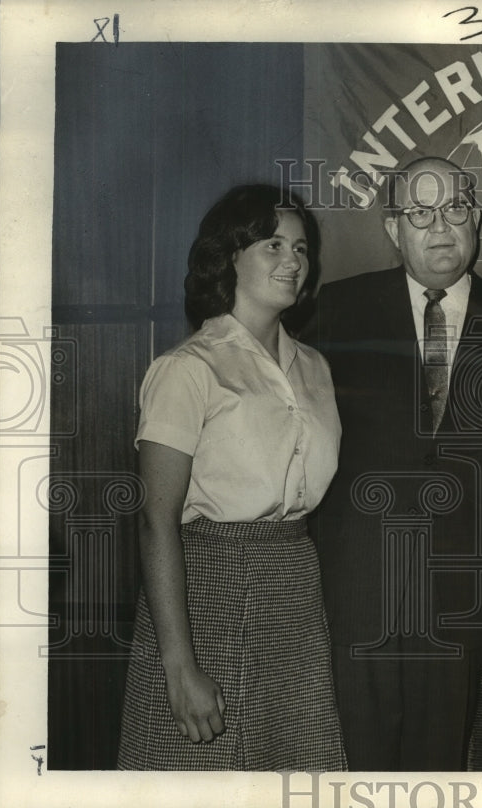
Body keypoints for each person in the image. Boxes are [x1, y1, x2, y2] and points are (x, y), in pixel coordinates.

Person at [302, 156, 482, 771]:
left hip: (462, 589)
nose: (440, 226)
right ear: (393, 227)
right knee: (356, 766)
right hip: (356, 580)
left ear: (478, 219)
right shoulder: (332, 311)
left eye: (455, 209)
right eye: (420, 212)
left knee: (437, 766)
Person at [117, 184, 346, 771]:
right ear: (230, 256)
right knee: (197, 778)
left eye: (301, 248)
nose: (293, 261)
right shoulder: (186, 370)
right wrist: (178, 663)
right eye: (273, 245)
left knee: (291, 781)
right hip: (205, 589)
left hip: (293, 588)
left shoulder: (316, 369)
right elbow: (154, 520)